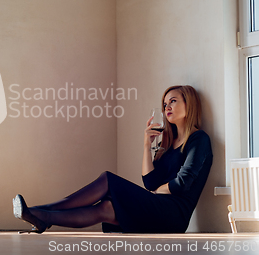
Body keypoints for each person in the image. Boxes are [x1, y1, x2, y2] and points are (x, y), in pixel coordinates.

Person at [12, 85, 213, 233]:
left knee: (108, 179)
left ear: (189, 103)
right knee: (106, 208)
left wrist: (158, 191)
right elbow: (149, 182)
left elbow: (181, 185)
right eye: (165, 103)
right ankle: (42, 217)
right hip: (158, 206)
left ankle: (41, 211)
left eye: (173, 101)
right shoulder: (168, 143)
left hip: (174, 215)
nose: (167, 106)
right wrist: (146, 144)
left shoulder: (198, 139)